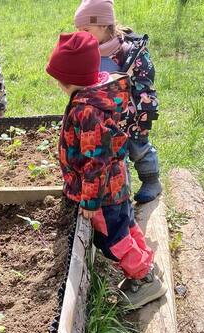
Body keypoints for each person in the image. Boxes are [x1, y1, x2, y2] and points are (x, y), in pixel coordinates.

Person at [45, 32, 166, 309]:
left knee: (113, 240)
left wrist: (89, 200)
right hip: (115, 184)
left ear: (67, 78)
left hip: (103, 193)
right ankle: (147, 265)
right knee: (126, 225)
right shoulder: (100, 94)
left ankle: (146, 280)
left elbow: (95, 160)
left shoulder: (87, 111)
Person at [74, 0, 161, 203]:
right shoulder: (87, 52)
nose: (81, 34)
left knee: (139, 149)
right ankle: (122, 193)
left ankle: (151, 181)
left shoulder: (130, 53)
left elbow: (145, 85)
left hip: (131, 116)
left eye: (86, 29)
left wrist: (144, 116)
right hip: (103, 119)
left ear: (104, 25)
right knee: (114, 157)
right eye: (78, 30)